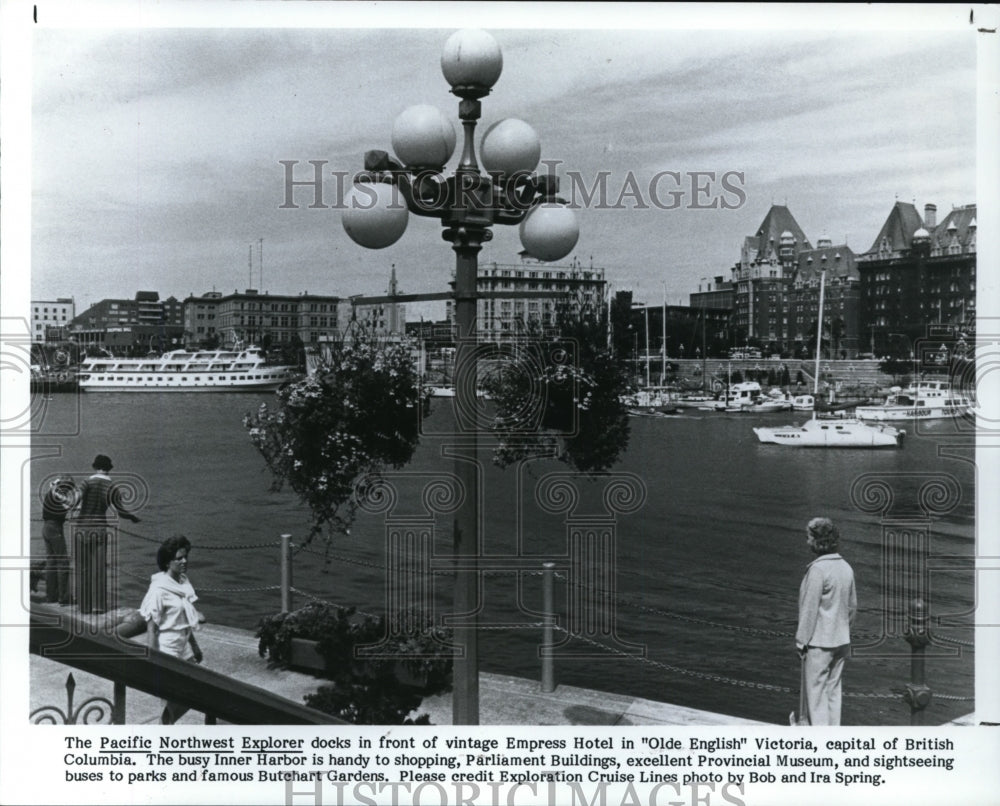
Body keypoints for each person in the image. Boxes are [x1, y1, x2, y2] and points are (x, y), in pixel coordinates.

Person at [795, 517, 857, 726]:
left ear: (818, 541)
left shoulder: (818, 570)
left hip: (820, 642)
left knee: (816, 695)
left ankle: (819, 743)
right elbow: (852, 607)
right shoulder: (846, 568)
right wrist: (844, 629)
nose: (807, 542)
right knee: (833, 692)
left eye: (809, 537)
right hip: (842, 640)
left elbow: (809, 609)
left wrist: (801, 641)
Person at [140, 535, 203, 724]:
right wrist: (152, 659)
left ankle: (164, 728)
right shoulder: (158, 589)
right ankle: (162, 734)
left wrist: (195, 646)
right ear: (168, 562)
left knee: (199, 690)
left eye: (185, 557)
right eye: (179, 558)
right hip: (168, 648)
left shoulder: (183, 582)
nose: (184, 561)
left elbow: (186, 620)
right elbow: (152, 627)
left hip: (183, 645)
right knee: (172, 699)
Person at [73, 454, 141, 614]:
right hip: (99, 530)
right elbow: (122, 512)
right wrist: (133, 517)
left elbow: (75, 500)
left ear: (95, 467)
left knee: (83, 569)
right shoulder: (112, 488)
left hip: (82, 529)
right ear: (108, 469)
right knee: (99, 569)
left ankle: (84, 607)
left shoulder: (86, 482)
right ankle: (99, 606)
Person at [41, 476, 77, 605]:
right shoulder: (59, 496)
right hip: (55, 528)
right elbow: (72, 505)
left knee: (51, 562)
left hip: (46, 528)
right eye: (68, 489)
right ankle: (64, 598)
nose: (69, 492)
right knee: (63, 563)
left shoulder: (51, 493)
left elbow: (55, 488)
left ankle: (51, 596)